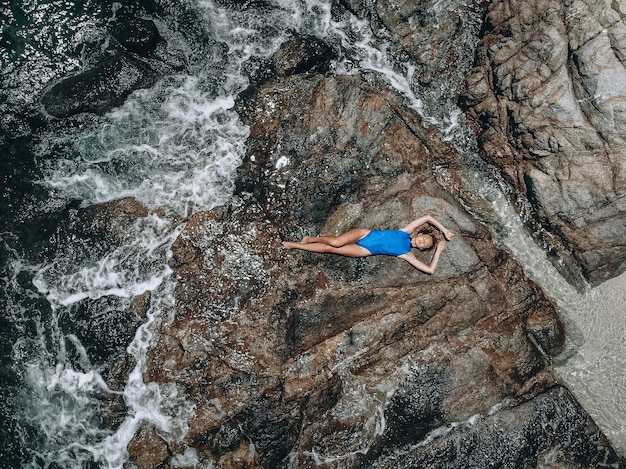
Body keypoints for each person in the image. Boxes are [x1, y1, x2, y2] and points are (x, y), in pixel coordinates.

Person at [282, 215, 454, 274]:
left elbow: (430, 270)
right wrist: (444, 231)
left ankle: (296, 245)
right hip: (366, 233)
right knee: (336, 241)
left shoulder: (407, 253)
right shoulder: (406, 231)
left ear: (422, 248)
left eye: (425, 245)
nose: (423, 241)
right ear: (421, 233)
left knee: (329, 249)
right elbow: (427, 218)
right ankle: (311, 238)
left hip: (365, 250)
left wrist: (438, 250)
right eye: (424, 238)